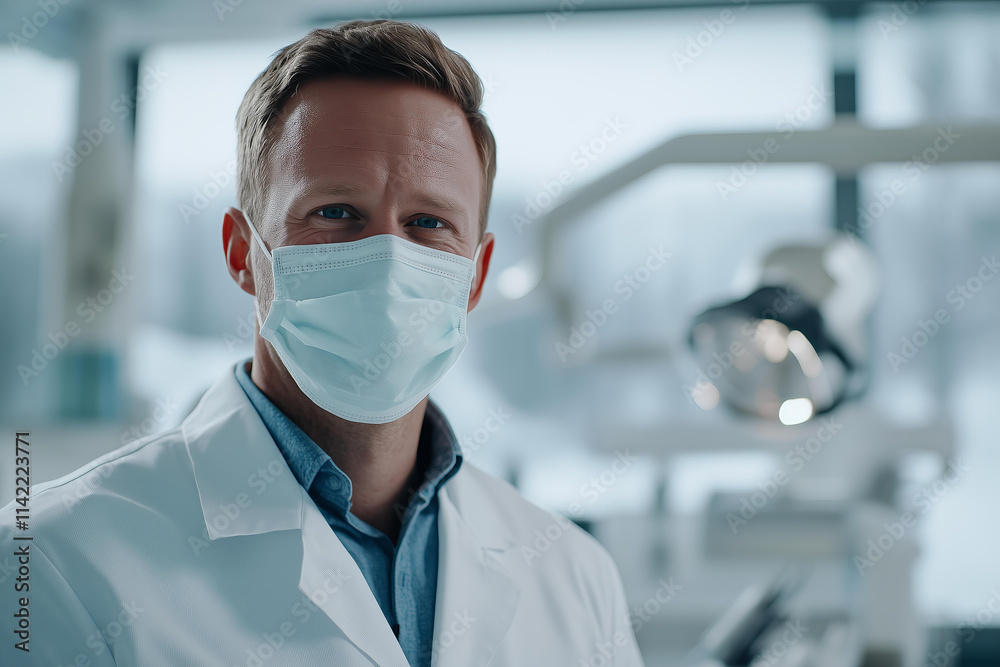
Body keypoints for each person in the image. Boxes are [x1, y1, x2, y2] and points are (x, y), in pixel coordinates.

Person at [0, 20, 644, 667]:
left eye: (428, 222)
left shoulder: (574, 576)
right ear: (242, 252)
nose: (388, 260)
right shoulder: (54, 562)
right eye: (337, 213)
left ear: (475, 274)